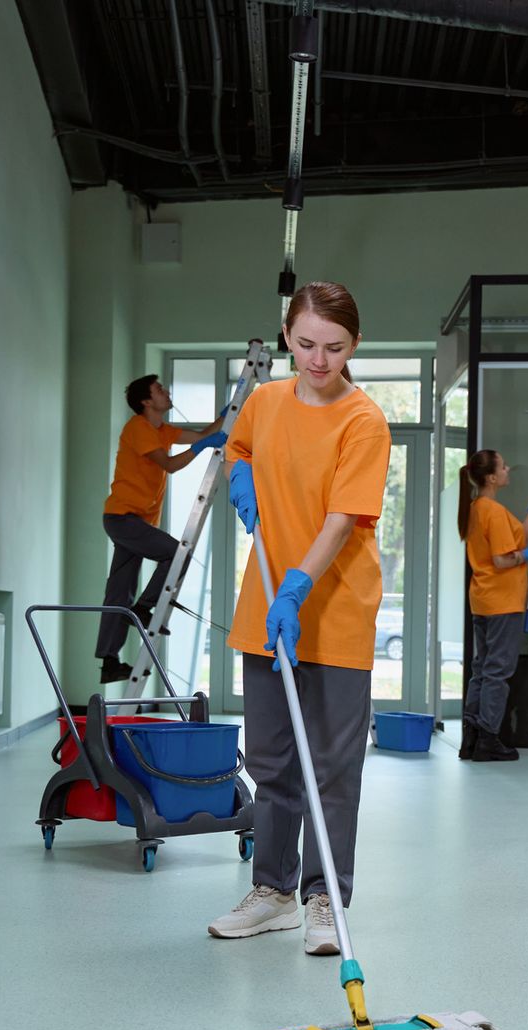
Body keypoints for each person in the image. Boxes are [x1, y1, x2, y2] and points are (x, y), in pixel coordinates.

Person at [207, 283, 390, 954]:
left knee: (333, 765)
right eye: (307, 343)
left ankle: (324, 898)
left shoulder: (364, 420)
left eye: (335, 348)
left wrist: (297, 586)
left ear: (355, 345)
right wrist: (239, 474)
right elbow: (240, 448)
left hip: (333, 607)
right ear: (288, 335)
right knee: (271, 759)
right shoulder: (264, 400)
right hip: (267, 607)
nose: (319, 360)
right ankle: (274, 893)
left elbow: (343, 519)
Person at [95, 375, 228, 683]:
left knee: (118, 590)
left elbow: (203, 434)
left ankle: (109, 662)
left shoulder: (162, 430)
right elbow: (168, 465)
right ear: (146, 401)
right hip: (122, 518)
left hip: (134, 521)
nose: (167, 393)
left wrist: (225, 415)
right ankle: (144, 606)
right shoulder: (138, 428)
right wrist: (204, 445)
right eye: (159, 390)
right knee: (176, 552)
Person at [457, 450, 528, 763]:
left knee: (482, 669)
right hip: (502, 602)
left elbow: (516, 538)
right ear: (492, 478)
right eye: (504, 466)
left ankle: (471, 738)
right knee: (497, 671)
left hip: (483, 600)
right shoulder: (491, 511)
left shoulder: (477, 509)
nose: (508, 469)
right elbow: (502, 558)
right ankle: (489, 739)